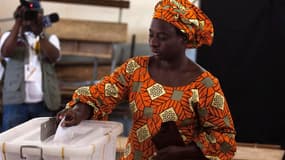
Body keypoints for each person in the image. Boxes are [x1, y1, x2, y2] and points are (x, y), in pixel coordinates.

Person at [56, 0, 237, 159]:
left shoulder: (205, 85)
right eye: (151, 34)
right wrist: (78, 111)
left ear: (184, 38)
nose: (153, 42)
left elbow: (224, 137)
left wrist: (184, 152)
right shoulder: (136, 69)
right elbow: (101, 94)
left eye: (162, 37)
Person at [0, 0, 61, 132]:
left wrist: (40, 33)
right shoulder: (9, 36)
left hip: (44, 102)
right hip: (15, 103)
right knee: (11, 141)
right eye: (27, 15)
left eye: (33, 15)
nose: (30, 18)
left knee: (42, 145)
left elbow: (54, 56)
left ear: (41, 15)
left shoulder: (49, 38)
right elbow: (6, 52)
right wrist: (18, 23)